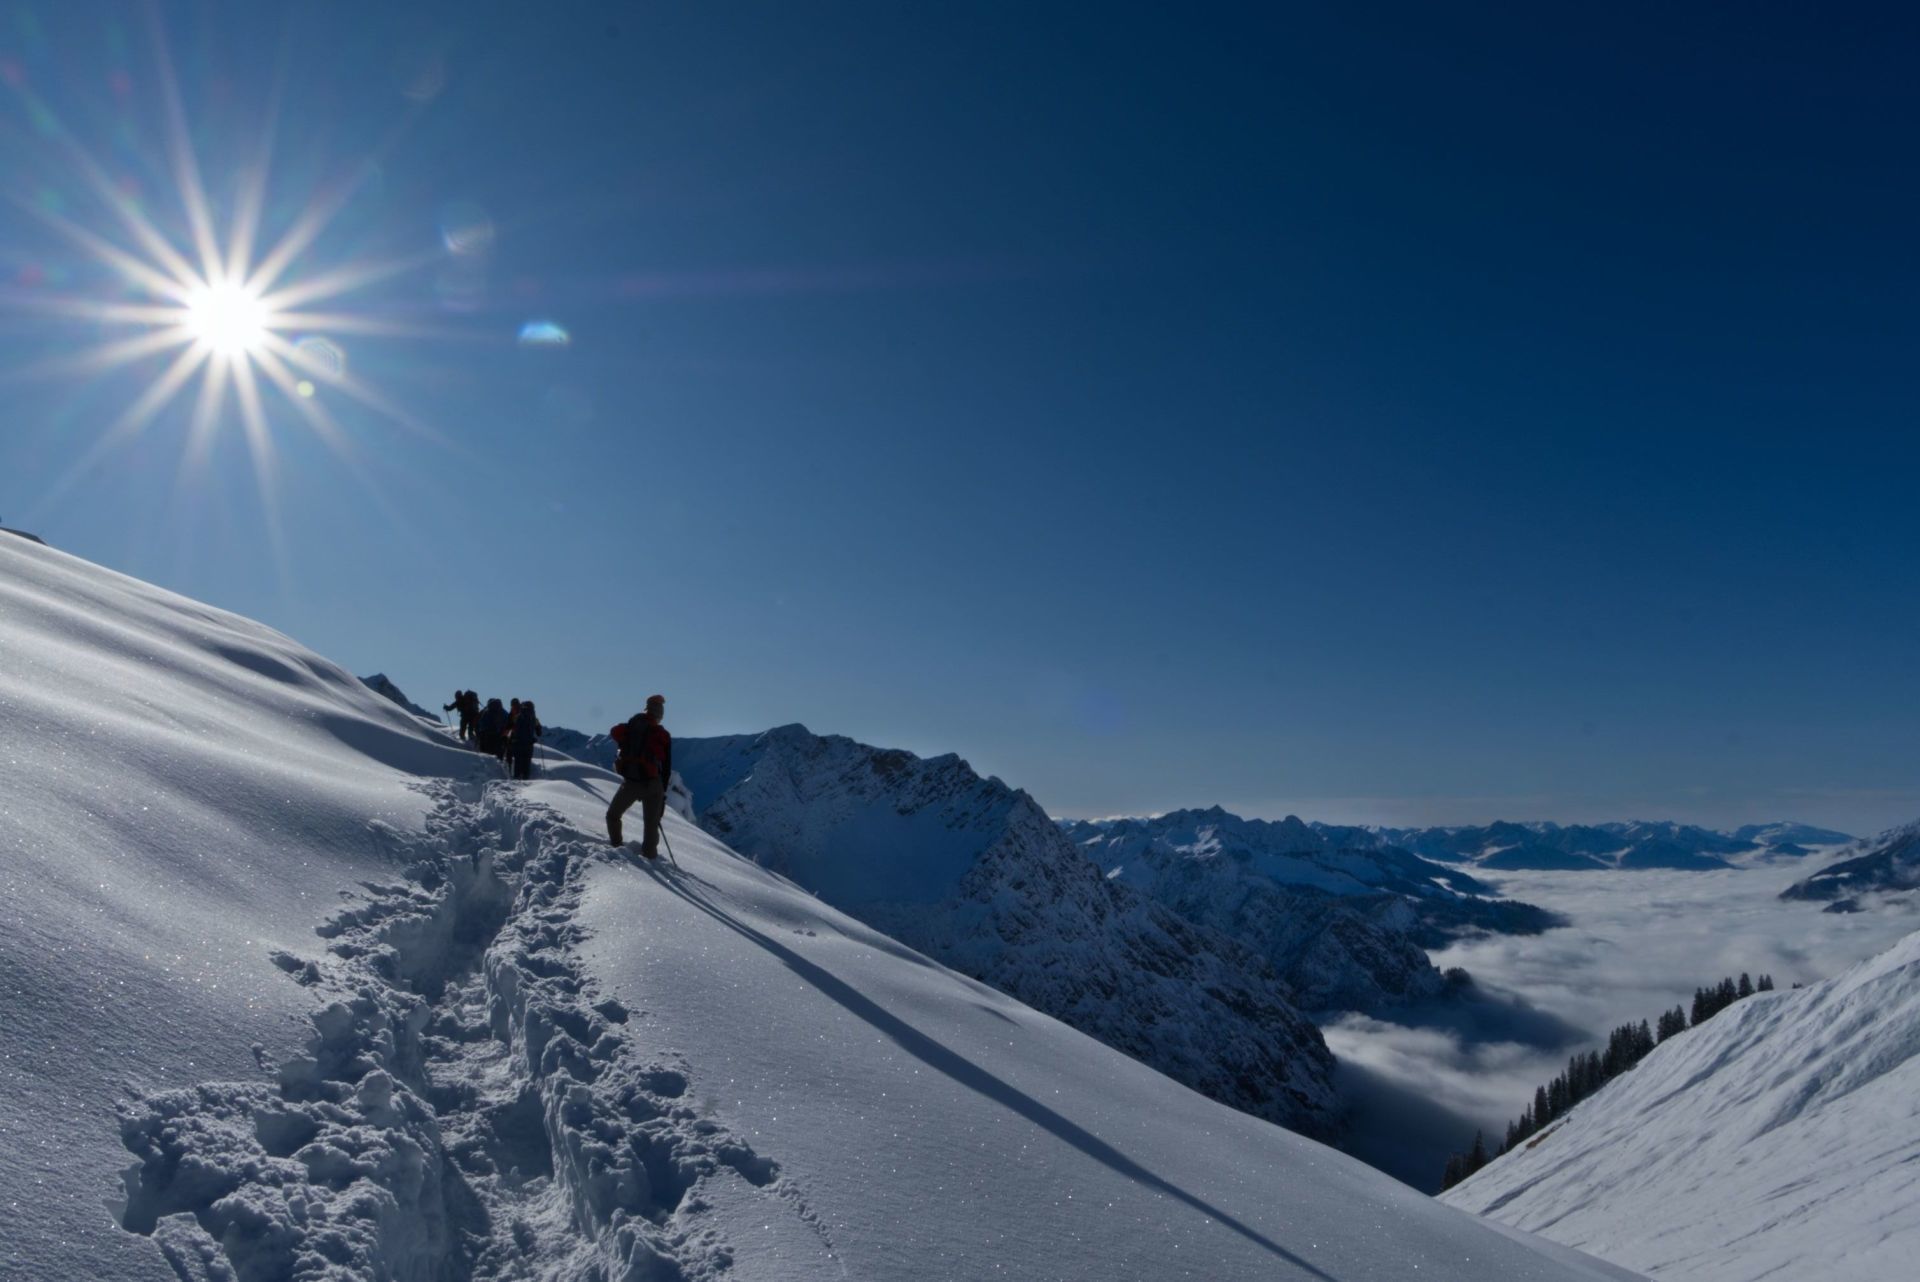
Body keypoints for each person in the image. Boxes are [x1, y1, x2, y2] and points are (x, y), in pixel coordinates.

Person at [607, 693, 671, 857]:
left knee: (613, 815)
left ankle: (616, 847)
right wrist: (662, 792)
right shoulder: (662, 734)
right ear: (660, 714)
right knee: (651, 824)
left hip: (632, 783)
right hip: (653, 783)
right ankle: (650, 857)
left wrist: (631, 727)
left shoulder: (631, 726)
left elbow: (614, 732)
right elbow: (666, 766)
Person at [509, 699, 543, 780]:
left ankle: (516, 778)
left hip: (517, 743)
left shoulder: (517, 716)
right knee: (526, 762)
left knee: (518, 761)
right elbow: (539, 733)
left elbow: (512, 728)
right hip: (529, 744)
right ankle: (525, 779)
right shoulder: (534, 719)